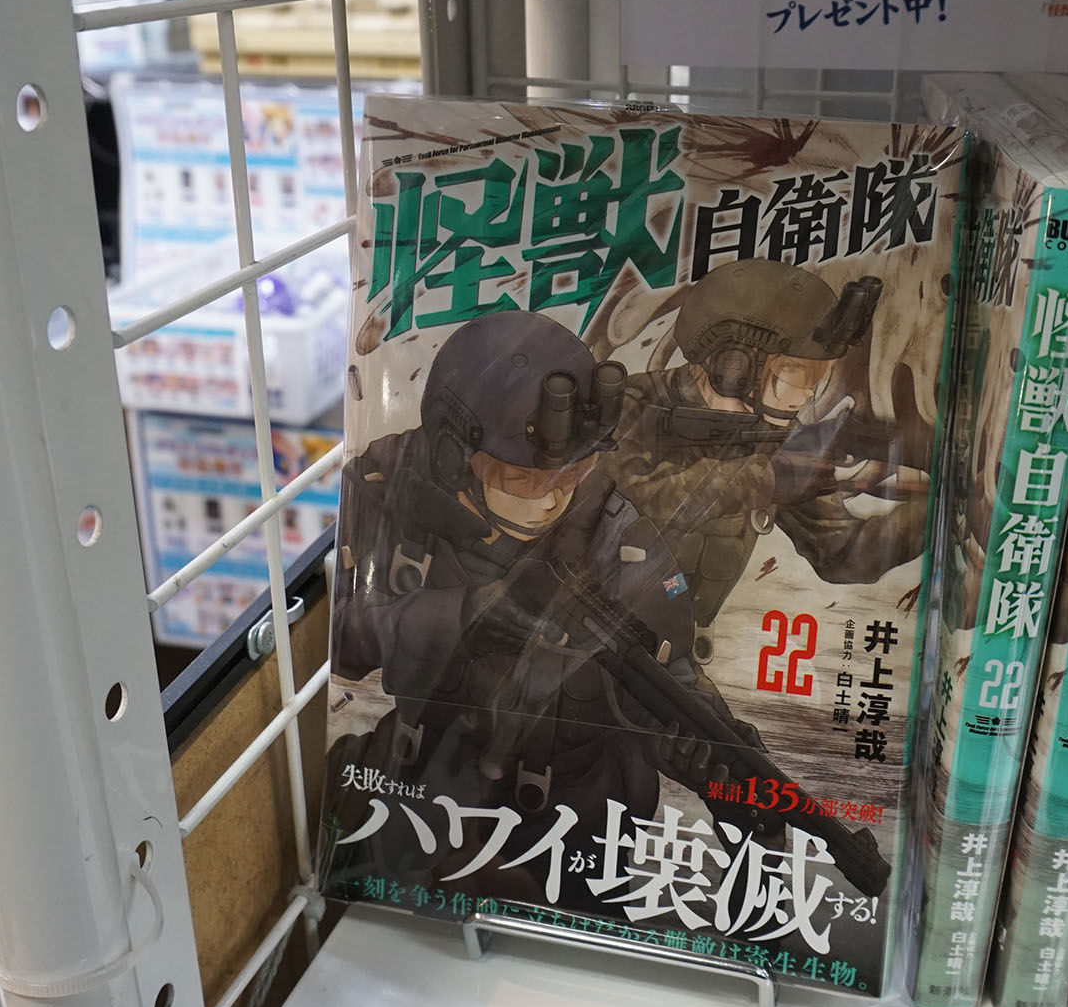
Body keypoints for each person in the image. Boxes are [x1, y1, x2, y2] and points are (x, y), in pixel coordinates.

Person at [322, 310, 773, 908]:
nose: (554, 497)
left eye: (575, 471)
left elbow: (670, 682)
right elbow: (341, 643)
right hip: (419, 780)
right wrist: (461, 617)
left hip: (563, 819)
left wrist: (724, 779)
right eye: (525, 479)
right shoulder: (387, 484)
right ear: (455, 455)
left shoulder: (617, 539)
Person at [598, 258, 925, 666]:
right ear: (731, 365)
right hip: (589, 642)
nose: (804, 398)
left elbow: (843, 554)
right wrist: (767, 479)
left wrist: (936, 515)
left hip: (673, 660)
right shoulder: (628, 406)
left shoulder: (776, 439)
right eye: (793, 377)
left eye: (814, 381)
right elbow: (635, 499)